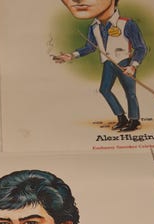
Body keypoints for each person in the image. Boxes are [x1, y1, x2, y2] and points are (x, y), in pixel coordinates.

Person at [53, 0, 147, 131]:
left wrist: (133, 66)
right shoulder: (94, 27)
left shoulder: (127, 23)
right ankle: (121, 118)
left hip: (124, 62)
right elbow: (90, 47)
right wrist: (72, 55)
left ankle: (134, 120)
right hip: (108, 62)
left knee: (130, 92)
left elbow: (141, 48)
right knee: (104, 89)